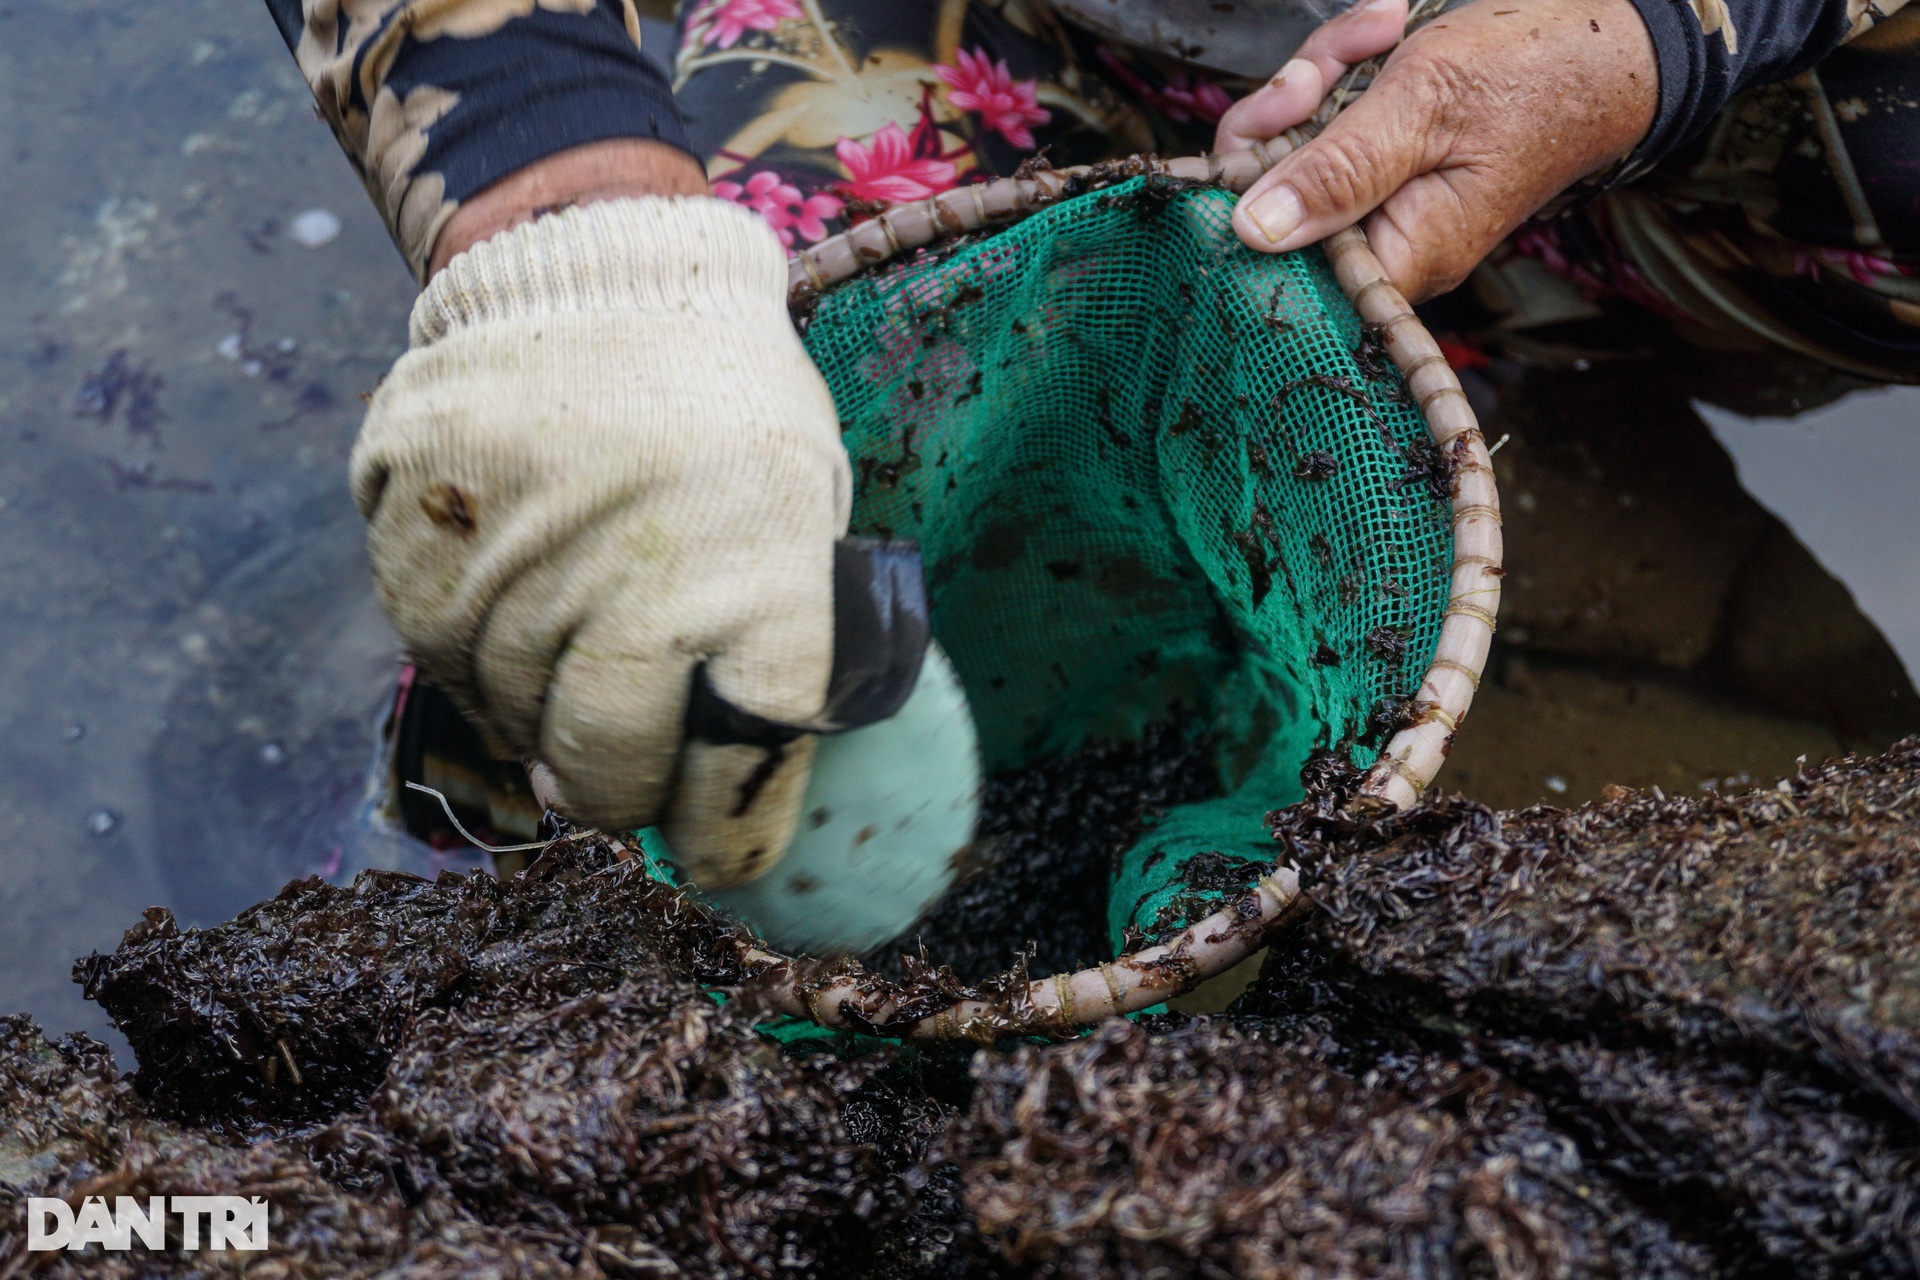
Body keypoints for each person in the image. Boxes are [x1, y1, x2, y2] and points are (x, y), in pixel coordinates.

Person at [262, 0, 1915, 888]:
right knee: (650, 546)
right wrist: (577, 235)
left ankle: (1585, 387)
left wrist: (1651, 34)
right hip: (1076, 46)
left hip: (1775, 124)